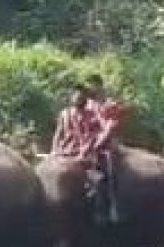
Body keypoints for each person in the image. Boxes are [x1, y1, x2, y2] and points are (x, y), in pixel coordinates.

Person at [84, 74, 128, 223]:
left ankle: (113, 205)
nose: (89, 89)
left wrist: (97, 143)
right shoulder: (86, 106)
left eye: (92, 85)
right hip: (87, 142)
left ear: (99, 86)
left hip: (106, 144)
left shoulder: (109, 105)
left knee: (109, 166)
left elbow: (110, 127)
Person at [51, 83, 97, 159]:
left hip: (82, 152)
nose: (77, 97)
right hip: (64, 150)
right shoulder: (64, 113)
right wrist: (54, 150)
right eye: (75, 95)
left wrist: (84, 151)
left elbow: (91, 137)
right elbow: (58, 134)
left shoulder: (89, 115)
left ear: (84, 98)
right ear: (71, 97)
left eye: (80, 96)